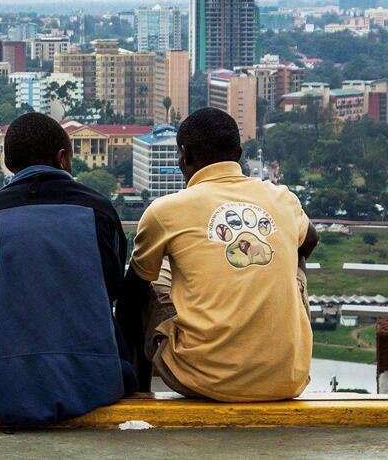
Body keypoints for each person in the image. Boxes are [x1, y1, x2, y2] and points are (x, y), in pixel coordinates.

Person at [0, 113, 136, 424]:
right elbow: (112, 287)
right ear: (62, 158)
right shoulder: (100, 212)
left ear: (9, 164)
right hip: (97, 381)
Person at [117, 108, 319, 401]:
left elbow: (129, 298)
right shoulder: (282, 198)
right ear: (238, 153)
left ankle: (135, 396)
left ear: (184, 155)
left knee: (149, 279)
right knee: (293, 265)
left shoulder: (166, 211)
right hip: (287, 379)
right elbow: (310, 238)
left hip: (203, 378)